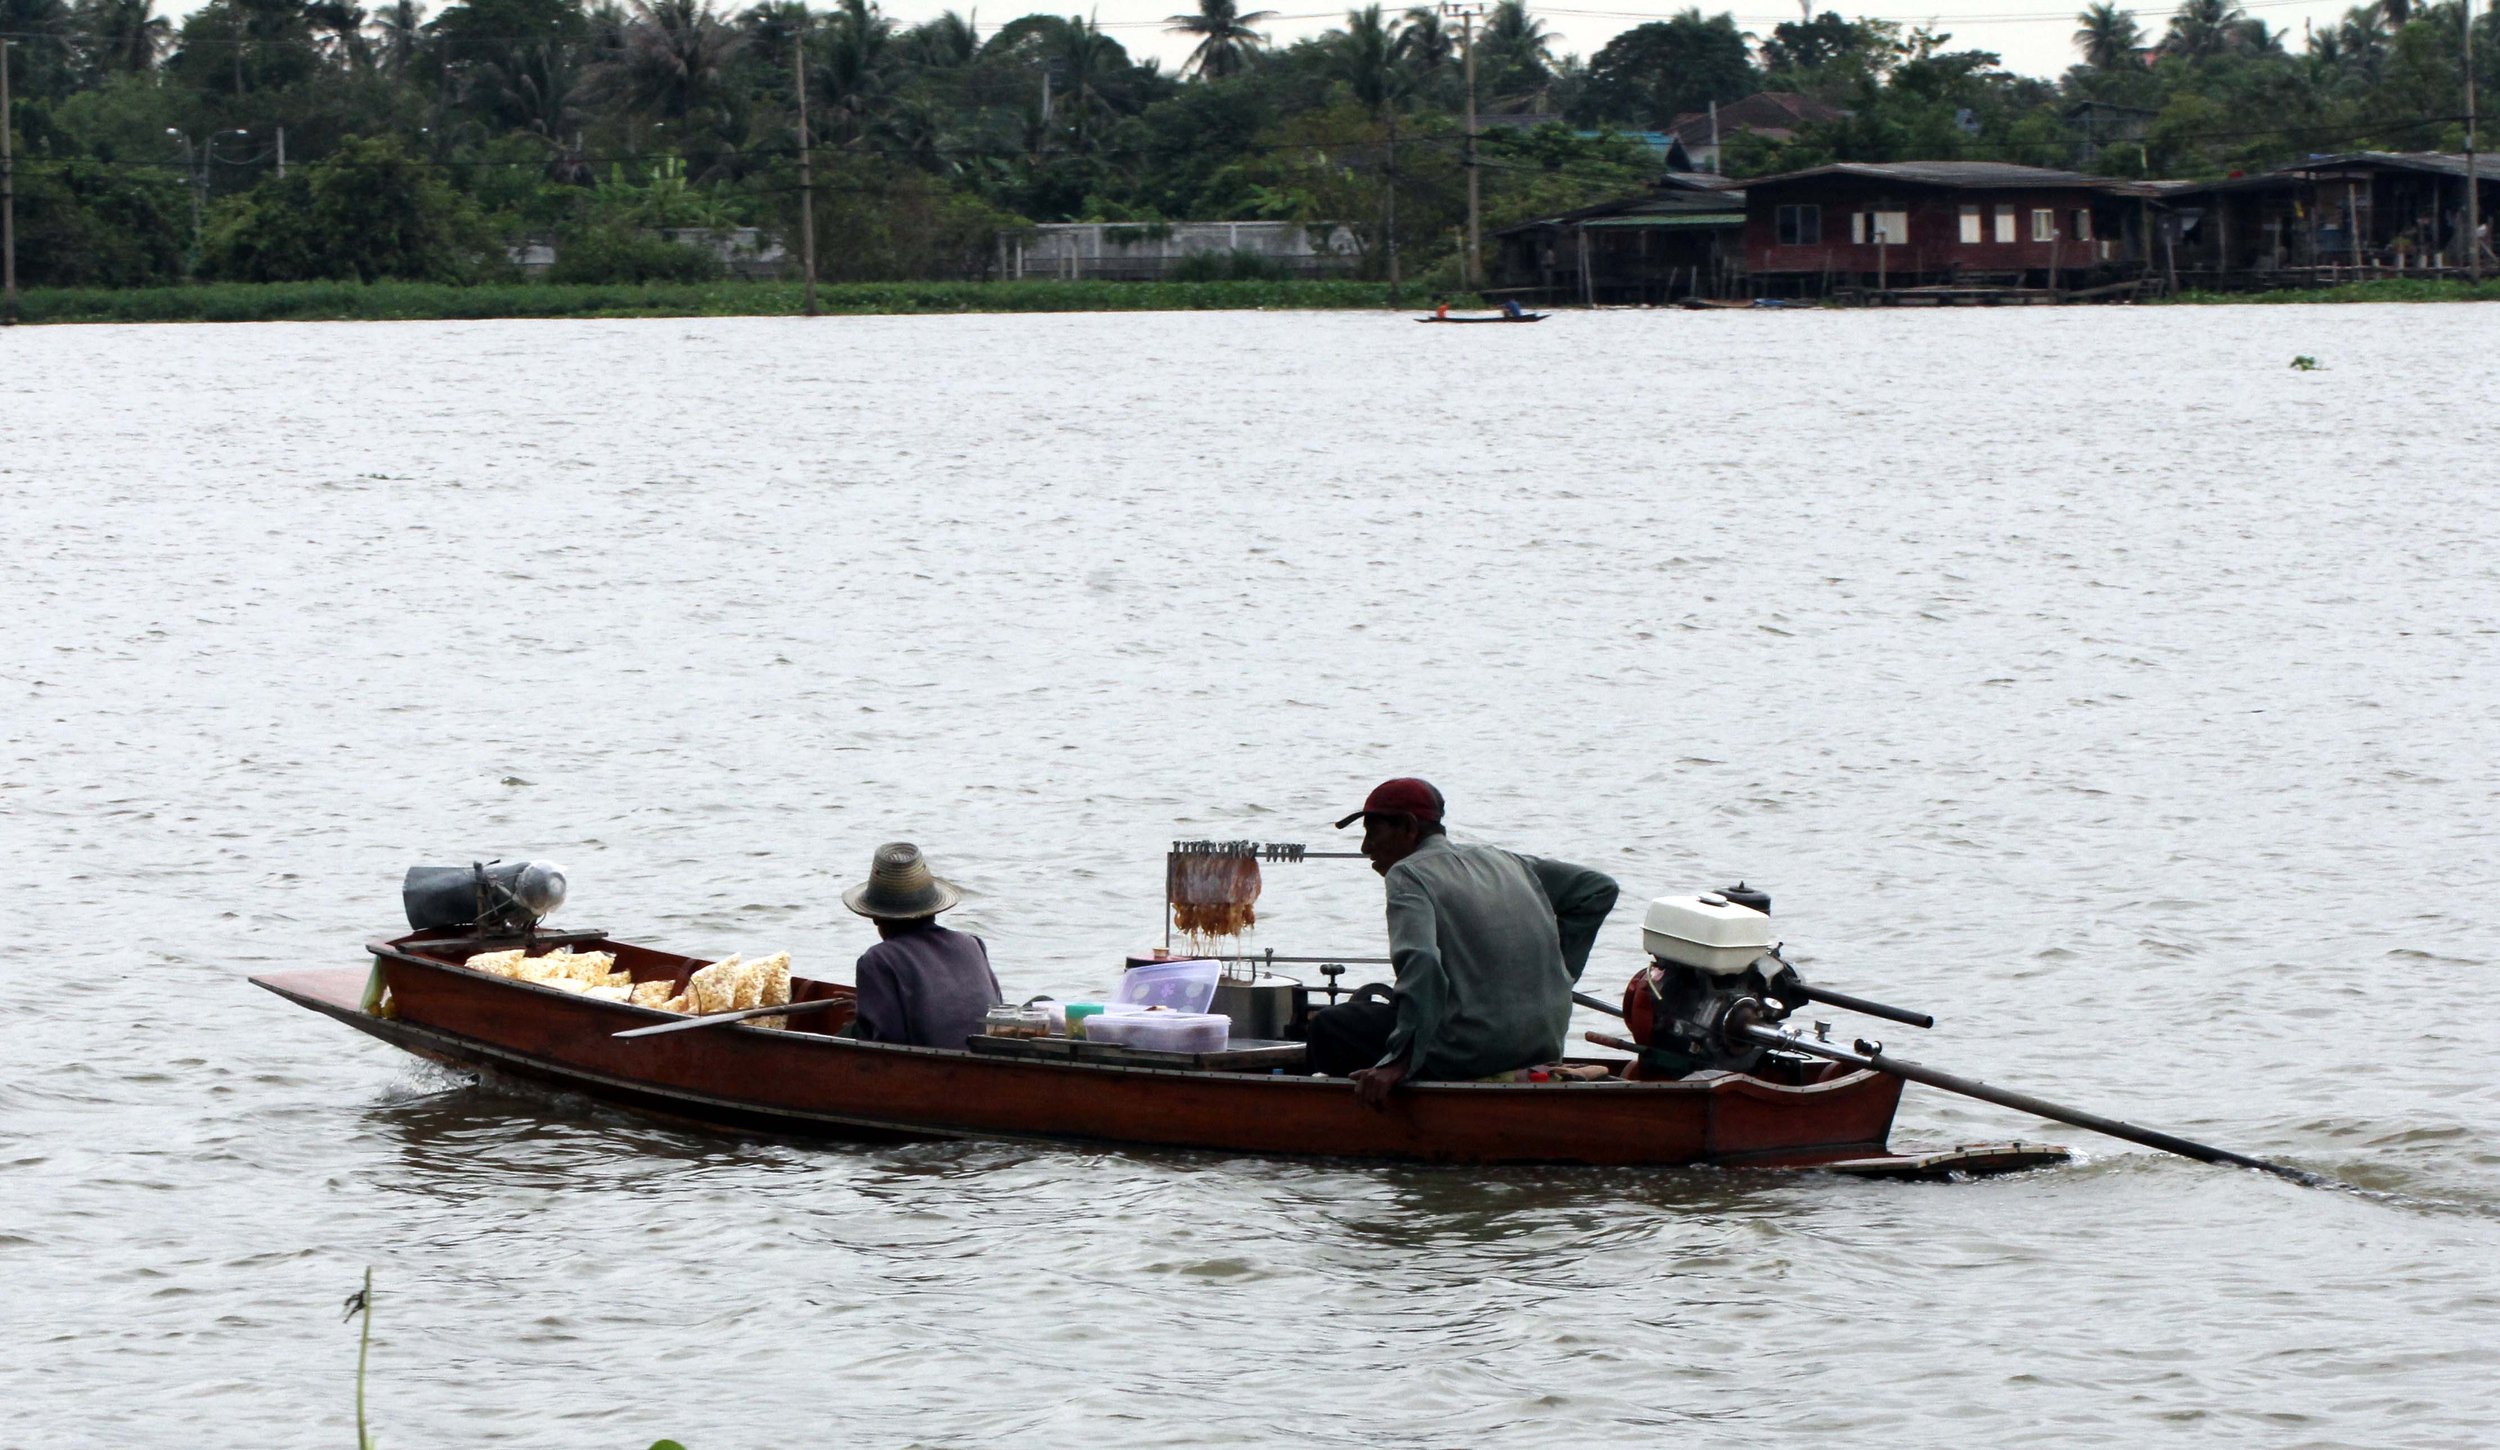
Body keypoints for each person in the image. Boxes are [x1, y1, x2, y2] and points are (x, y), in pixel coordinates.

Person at [1303, 778, 1618, 1108]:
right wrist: (1558, 975)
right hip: (1543, 1044)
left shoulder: (1407, 873)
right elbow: (1597, 888)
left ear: (1409, 827)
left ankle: (1330, 1123)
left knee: (1330, 1026)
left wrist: (1399, 1061)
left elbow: (1422, 962)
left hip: (1467, 1053)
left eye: (1373, 832)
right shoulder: (1506, 861)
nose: (1366, 847)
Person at [842, 841, 1001, 1050]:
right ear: (933, 909)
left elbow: (886, 1043)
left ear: (875, 917)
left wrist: (865, 1020)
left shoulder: (878, 959)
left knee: (847, 1033)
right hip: (985, 1059)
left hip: (929, 1071)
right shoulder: (971, 944)